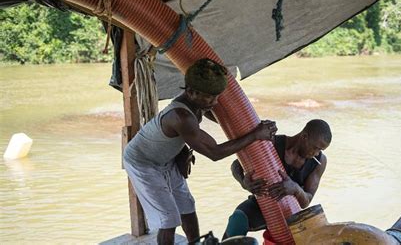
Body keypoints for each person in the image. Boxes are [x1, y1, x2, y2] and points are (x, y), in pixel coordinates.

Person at [123, 58, 277, 245]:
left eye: (217, 96)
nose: (215, 102)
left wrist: (253, 128)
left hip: (167, 158)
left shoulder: (200, 103)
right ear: (190, 92)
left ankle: (194, 243)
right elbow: (215, 153)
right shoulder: (181, 116)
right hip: (143, 162)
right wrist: (255, 135)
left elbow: (228, 123)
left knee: (187, 206)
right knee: (169, 218)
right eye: (210, 97)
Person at [223, 119, 332, 239]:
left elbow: (306, 201)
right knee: (237, 220)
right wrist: (244, 182)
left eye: (320, 150)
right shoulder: (273, 143)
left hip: (290, 212)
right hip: (262, 203)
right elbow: (236, 165)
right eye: (315, 148)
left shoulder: (319, 162)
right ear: (304, 136)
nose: (316, 153)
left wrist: (295, 188)